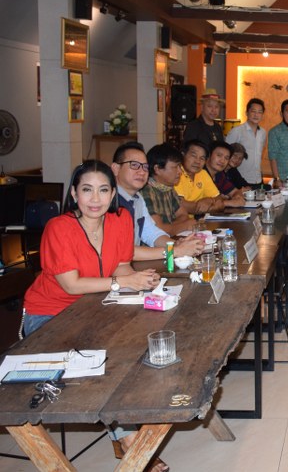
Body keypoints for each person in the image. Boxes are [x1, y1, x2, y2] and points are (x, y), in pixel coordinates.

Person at [21, 161, 170, 471]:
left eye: (103, 190)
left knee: (139, 340)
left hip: (95, 307)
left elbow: (122, 265)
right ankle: (127, 437)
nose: (95, 199)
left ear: (113, 193)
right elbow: (71, 285)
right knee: (97, 359)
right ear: (74, 194)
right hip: (49, 314)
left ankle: (132, 420)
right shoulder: (59, 227)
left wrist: (140, 282)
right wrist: (122, 283)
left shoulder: (120, 219)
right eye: (87, 190)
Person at [111, 142, 203, 260]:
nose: (142, 172)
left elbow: (151, 233)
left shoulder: (137, 198)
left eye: (145, 167)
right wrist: (175, 251)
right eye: (134, 165)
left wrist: (176, 245)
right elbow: (122, 250)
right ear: (116, 168)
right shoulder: (109, 200)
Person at [142, 143, 196, 236]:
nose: (180, 171)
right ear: (157, 169)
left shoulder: (168, 188)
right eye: (175, 167)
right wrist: (184, 226)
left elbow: (183, 215)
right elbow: (157, 230)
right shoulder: (146, 190)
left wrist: (169, 228)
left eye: (180, 166)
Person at [174, 140, 226, 215]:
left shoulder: (202, 173)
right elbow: (180, 205)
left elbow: (220, 201)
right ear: (183, 154)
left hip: (196, 220)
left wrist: (209, 200)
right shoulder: (175, 173)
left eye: (202, 158)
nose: (197, 161)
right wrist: (211, 206)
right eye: (194, 156)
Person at [225, 97, 267, 186]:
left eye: (259, 112)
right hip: (239, 179)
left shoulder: (263, 133)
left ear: (262, 115)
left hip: (258, 179)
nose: (256, 115)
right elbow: (226, 153)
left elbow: (259, 155)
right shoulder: (237, 131)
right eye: (253, 111)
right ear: (246, 113)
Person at [205, 141, 246, 206]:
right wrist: (228, 202)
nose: (222, 161)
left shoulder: (219, 174)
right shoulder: (200, 173)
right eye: (219, 155)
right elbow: (202, 204)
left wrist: (237, 197)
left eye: (226, 158)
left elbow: (235, 192)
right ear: (208, 155)